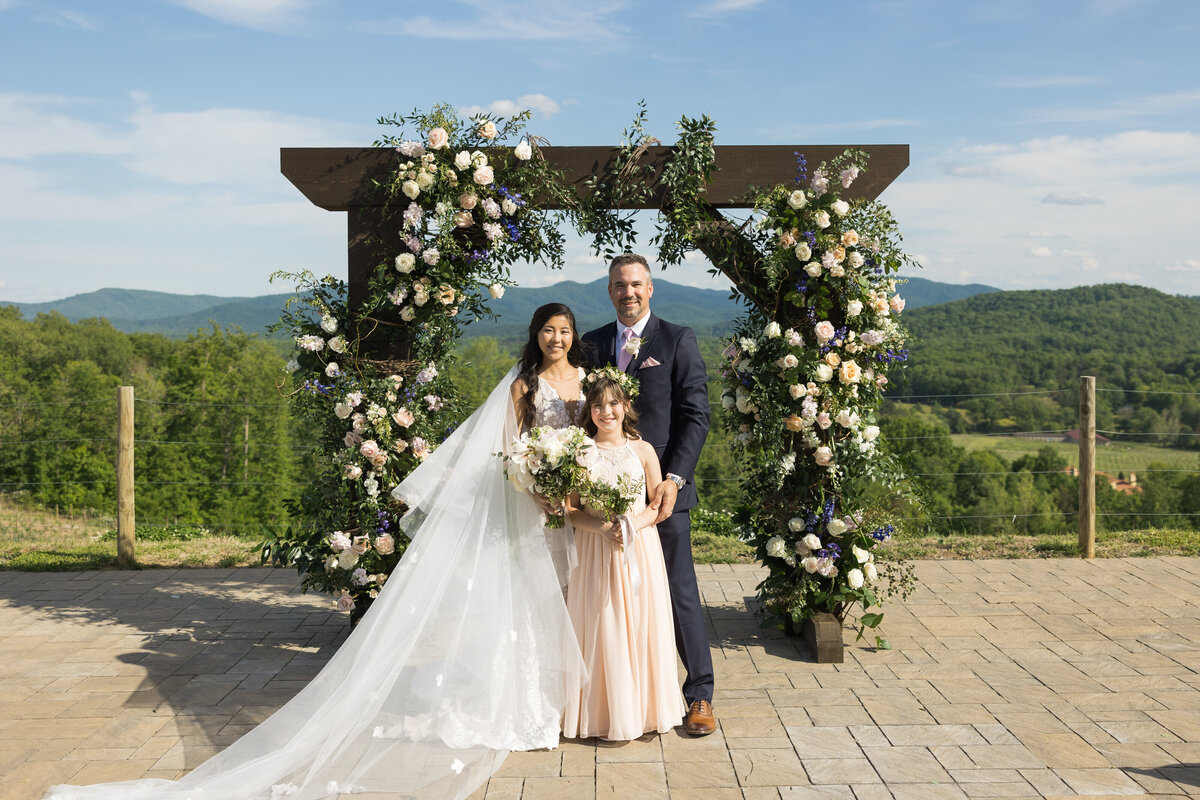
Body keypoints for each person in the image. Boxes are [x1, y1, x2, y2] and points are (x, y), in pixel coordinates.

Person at [42, 305, 591, 800]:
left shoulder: (586, 381)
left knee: (565, 597)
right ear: (535, 335)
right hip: (533, 501)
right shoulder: (523, 386)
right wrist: (538, 486)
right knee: (525, 603)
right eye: (549, 330)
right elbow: (513, 447)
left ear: (573, 337)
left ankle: (561, 699)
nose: (557, 338)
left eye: (565, 331)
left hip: (575, 504)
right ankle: (520, 705)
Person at [582, 252, 717, 735]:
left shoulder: (678, 339)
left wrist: (673, 480)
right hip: (602, 497)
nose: (628, 292)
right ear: (610, 290)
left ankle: (699, 694)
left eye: (636, 284)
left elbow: (696, 416)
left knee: (678, 591)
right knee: (608, 598)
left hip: (663, 493)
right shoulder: (593, 343)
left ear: (651, 288)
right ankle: (622, 696)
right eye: (619, 285)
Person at [562, 371, 685, 740]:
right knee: (603, 626)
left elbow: (658, 504)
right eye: (597, 405)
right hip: (595, 550)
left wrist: (633, 523)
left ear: (626, 406)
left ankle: (644, 709)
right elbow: (570, 511)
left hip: (639, 550)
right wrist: (603, 528)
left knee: (641, 623)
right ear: (589, 410)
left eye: (613, 403)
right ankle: (603, 712)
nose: (606, 411)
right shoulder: (580, 452)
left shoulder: (644, 450)